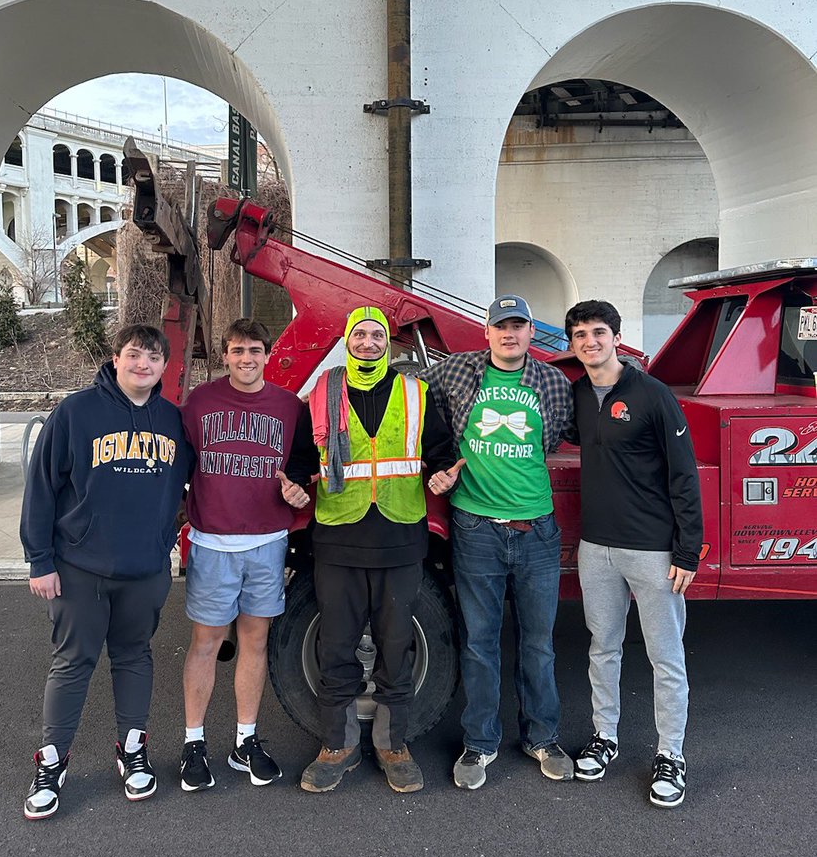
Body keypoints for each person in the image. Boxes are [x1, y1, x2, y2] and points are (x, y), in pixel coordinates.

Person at [20, 324, 193, 820]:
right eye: (135, 354)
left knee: (134, 657)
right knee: (73, 663)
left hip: (145, 569)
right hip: (79, 568)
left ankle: (132, 750)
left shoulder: (172, 421)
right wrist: (40, 560)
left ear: (164, 366)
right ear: (116, 359)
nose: (144, 364)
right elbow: (41, 489)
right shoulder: (75, 413)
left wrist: (165, 545)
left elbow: (185, 490)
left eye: (154, 357)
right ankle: (52, 762)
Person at [289, 307, 455, 794]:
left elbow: (441, 451)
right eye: (358, 335)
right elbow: (300, 460)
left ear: (388, 343)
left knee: (396, 645)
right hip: (339, 536)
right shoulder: (321, 394)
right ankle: (336, 746)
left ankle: (393, 745)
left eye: (375, 335)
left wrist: (446, 471)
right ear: (346, 340)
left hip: (401, 536)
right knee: (337, 647)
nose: (366, 342)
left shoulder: (416, 392)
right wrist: (295, 485)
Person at [421, 295, 574, 790]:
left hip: (536, 530)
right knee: (480, 642)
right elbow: (414, 408)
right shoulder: (456, 371)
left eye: (519, 326)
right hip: (476, 530)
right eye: (500, 326)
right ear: (485, 333)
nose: (509, 334)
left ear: (532, 332)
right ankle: (480, 742)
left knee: (539, 644)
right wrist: (436, 465)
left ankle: (542, 738)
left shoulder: (553, 381)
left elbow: (568, 431)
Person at [564, 300, 702, 808]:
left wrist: (687, 552)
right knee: (603, 647)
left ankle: (671, 755)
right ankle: (606, 738)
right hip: (595, 548)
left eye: (598, 332)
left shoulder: (652, 394)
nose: (589, 342)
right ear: (573, 344)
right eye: (579, 335)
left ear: (616, 337)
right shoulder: (578, 394)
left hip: (651, 549)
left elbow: (684, 475)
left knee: (665, 657)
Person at [179, 318, 314, 791]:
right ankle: (193, 743)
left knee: (255, 643)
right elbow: (179, 465)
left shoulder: (289, 408)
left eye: (255, 350)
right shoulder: (198, 404)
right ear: (225, 356)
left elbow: (303, 466)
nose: (246, 359)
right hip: (214, 542)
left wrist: (298, 491)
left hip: (267, 542)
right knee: (206, 643)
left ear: (268, 354)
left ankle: (245, 741)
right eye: (237, 351)